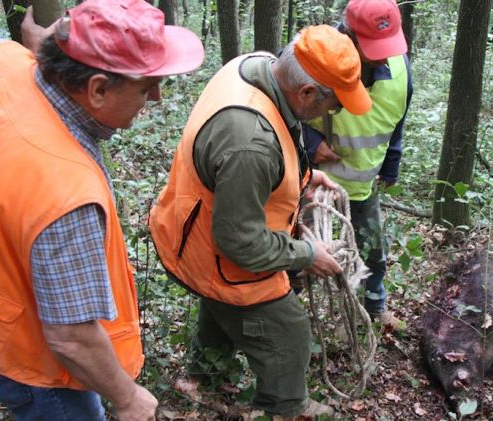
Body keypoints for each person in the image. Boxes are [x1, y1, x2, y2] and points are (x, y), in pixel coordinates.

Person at [0, 1, 203, 420]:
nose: (157, 97)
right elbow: (72, 339)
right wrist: (127, 398)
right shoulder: (64, 192)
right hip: (17, 353)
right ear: (97, 89)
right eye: (147, 86)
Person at [149, 25, 371, 419]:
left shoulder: (258, 68)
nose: (332, 113)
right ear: (306, 93)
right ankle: (285, 407)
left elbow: (270, 154)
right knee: (289, 331)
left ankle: (203, 378)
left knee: (222, 306)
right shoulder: (249, 143)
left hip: (196, 234)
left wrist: (303, 178)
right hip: (216, 249)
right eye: (333, 105)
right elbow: (239, 241)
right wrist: (306, 254)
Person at [302, 0, 413, 328]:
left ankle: (374, 307)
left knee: (372, 248)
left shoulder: (400, 69)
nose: (381, 55)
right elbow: (278, 109)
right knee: (299, 246)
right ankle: (294, 313)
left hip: (362, 184)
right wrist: (310, 145)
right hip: (308, 180)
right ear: (347, 34)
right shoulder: (312, 57)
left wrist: (391, 164)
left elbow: (397, 121)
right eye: (372, 47)